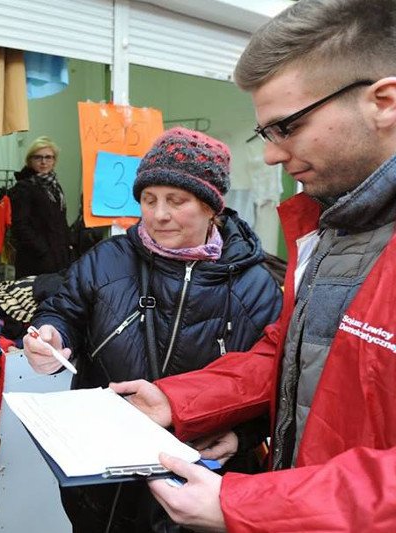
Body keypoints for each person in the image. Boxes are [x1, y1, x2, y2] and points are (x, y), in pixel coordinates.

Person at [111, 1, 396, 531]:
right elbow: (290, 353)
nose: (269, 156)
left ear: (384, 101)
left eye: (286, 127)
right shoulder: (327, 228)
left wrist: (247, 506)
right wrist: (175, 399)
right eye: (265, 133)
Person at [24, 127, 282, 532]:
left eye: (176, 201)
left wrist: (243, 435)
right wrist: (51, 335)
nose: (159, 214)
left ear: (213, 206)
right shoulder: (109, 259)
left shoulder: (255, 285)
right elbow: (64, 310)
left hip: (196, 479)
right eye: (149, 199)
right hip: (102, 474)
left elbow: (270, 377)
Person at [8, 135, 72, 277]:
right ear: (29, 160)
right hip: (35, 261)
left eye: (48, 157)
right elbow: (20, 226)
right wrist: (43, 251)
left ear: (54, 161)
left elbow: (60, 221)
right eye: (38, 157)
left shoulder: (55, 187)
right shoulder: (23, 188)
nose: (44, 162)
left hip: (59, 259)